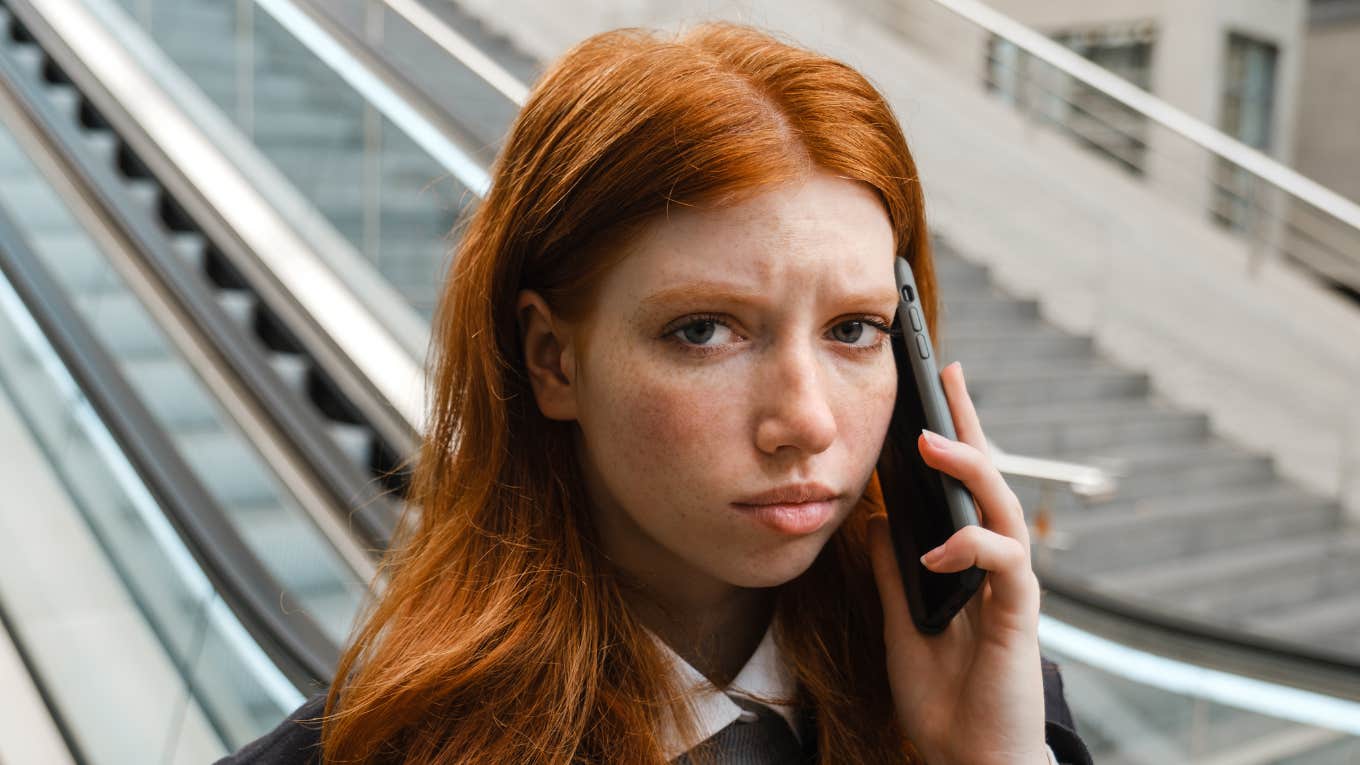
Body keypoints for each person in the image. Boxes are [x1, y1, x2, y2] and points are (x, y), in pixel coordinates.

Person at [219, 21, 1092, 765]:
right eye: (704, 330)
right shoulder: (375, 750)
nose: (807, 421)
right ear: (554, 361)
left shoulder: (998, 707)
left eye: (854, 329)